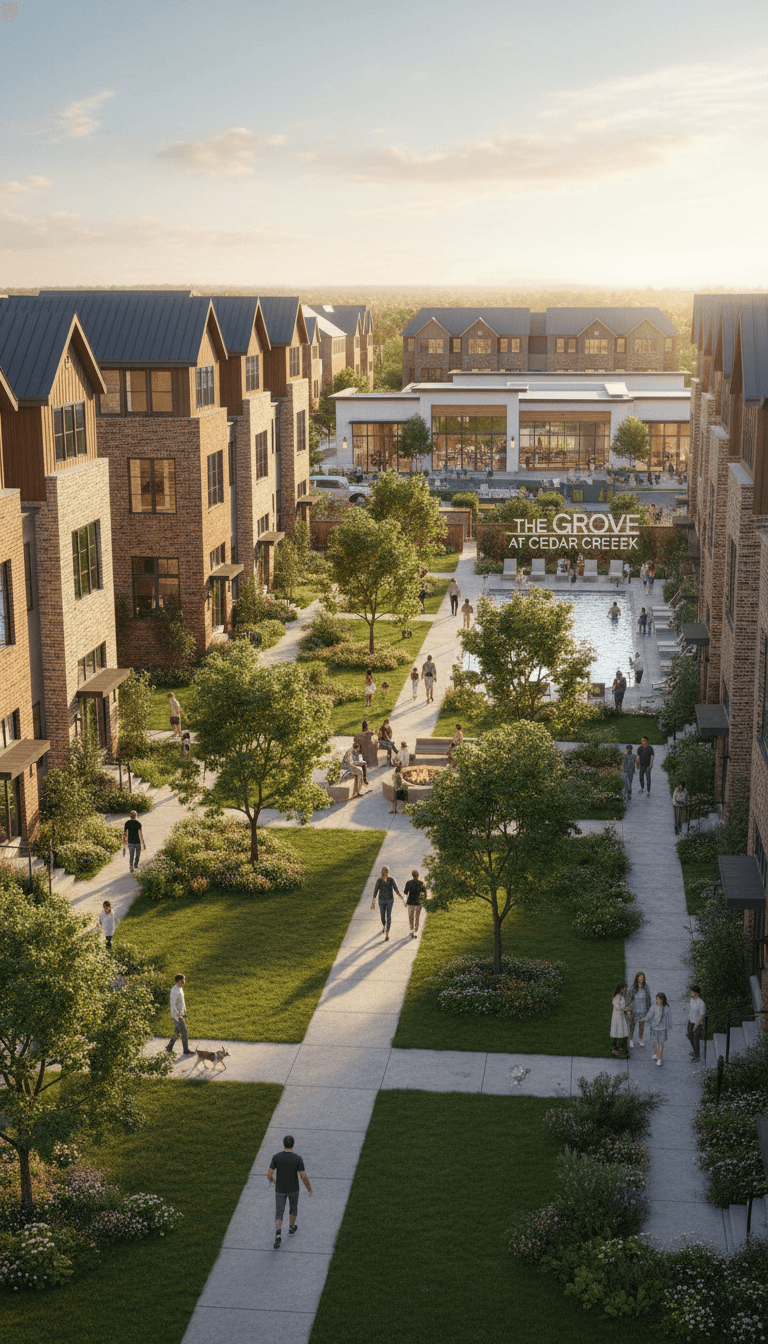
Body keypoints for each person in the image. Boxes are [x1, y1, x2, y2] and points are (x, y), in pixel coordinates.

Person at [268, 1135, 312, 1249]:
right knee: (293, 1208)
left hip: (280, 1190)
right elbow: (303, 1176)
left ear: (283, 1143)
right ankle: (291, 1227)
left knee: (279, 1212)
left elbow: (269, 1174)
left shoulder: (276, 1157)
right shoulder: (297, 1158)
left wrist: (273, 1181)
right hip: (293, 1189)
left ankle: (278, 1234)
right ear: (293, 1144)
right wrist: (309, 1188)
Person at [370, 866, 402, 940]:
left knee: (388, 916)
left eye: (387, 872)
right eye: (385, 872)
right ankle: (384, 925)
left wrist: (400, 896)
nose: (386, 873)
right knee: (382, 915)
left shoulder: (391, 880)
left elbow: (395, 888)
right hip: (381, 900)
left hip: (390, 900)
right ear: (382, 872)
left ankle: (387, 933)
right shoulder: (379, 880)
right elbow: (376, 890)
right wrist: (373, 900)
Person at [166, 973, 194, 1057]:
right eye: (183, 980)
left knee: (177, 1032)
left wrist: (184, 1010)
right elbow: (173, 1004)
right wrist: (179, 1015)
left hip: (180, 1014)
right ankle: (186, 1050)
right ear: (179, 981)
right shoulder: (175, 990)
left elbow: (182, 1001)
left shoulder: (180, 988)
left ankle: (169, 1047)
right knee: (184, 1032)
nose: (184, 982)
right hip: (177, 1016)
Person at [643, 992, 671, 1066]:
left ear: (662, 1000)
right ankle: (655, 1053)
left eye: (658, 999)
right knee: (654, 1042)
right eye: (656, 999)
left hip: (662, 1029)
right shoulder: (653, 1007)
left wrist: (668, 1027)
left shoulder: (667, 1008)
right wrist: (644, 1020)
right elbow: (649, 1015)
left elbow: (669, 1019)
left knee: (661, 1044)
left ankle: (659, 1059)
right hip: (654, 1028)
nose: (657, 1001)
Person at [626, 971, 651, 1049]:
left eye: (642, 977)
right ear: (637, 978)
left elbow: (648, 999)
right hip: (635, 1010)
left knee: (641, 1026)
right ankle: (631, 1040)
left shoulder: (646, 987)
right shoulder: (632, 988)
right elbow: (628, 999)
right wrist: (628, 1010)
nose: (641, 979)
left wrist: (649, 1010)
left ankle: (640, 1039)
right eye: (640, 977)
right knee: (632, 1025)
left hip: (643, 1010)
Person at [403, 868, 426, 938]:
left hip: (410, 903)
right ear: (418, 875)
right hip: (418, 903)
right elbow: (424, 894)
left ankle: (411, 930)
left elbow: (405, 893)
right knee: (417, 917)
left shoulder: (408, 883)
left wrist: (405, 901)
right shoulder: (421, 883)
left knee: (411, 917)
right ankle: (416, 931)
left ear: (412, 876)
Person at [686, 985, 706, 1062]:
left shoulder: (701, 1003)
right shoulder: (692, 999)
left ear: (696, 993)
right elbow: (691, 1010)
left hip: (697, 1024)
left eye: (692, 992)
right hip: (690, 1021)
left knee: (696, 1040)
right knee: (689, 1036)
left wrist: (696, 1026)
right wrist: (687, 1020)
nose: (691, 993)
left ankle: (697, 1056)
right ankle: (695, 1051)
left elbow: (702, 1016)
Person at [610, 982, 629, 1058]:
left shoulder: (621, 997)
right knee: (617, 1032)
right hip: (617, 1018)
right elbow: (618, 1008)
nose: (625, 990)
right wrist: (627, 1009)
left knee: (625, 1032)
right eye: (624, 989)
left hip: (621, 1017)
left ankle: (620, 1047)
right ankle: (615, 1047)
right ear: (621, 989)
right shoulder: (616, 997)